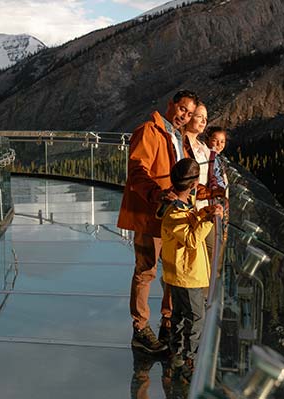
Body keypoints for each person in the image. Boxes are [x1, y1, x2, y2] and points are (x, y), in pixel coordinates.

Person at [118, 90, 198, 354]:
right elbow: (137, 170)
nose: (184, 116)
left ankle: (167, 321)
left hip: (173, 216)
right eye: (182, 109)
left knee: (172, 273)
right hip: (150, 214)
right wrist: (156, 193)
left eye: (188, 113)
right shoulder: (148, 131)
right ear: (170, 105)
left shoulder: (181, 138)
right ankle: (140, 329)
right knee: (146, 271)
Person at [159, 158, 223, 377]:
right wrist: (210, 220)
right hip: (187, 275)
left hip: (178, 274)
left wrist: (203, 213)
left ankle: (176, 352)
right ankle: (190, 357)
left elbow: (189, 219)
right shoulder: (174, 212)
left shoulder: (179, 205)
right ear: (195, 183)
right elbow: (192, 240)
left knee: (178, 313)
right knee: (196, 316)